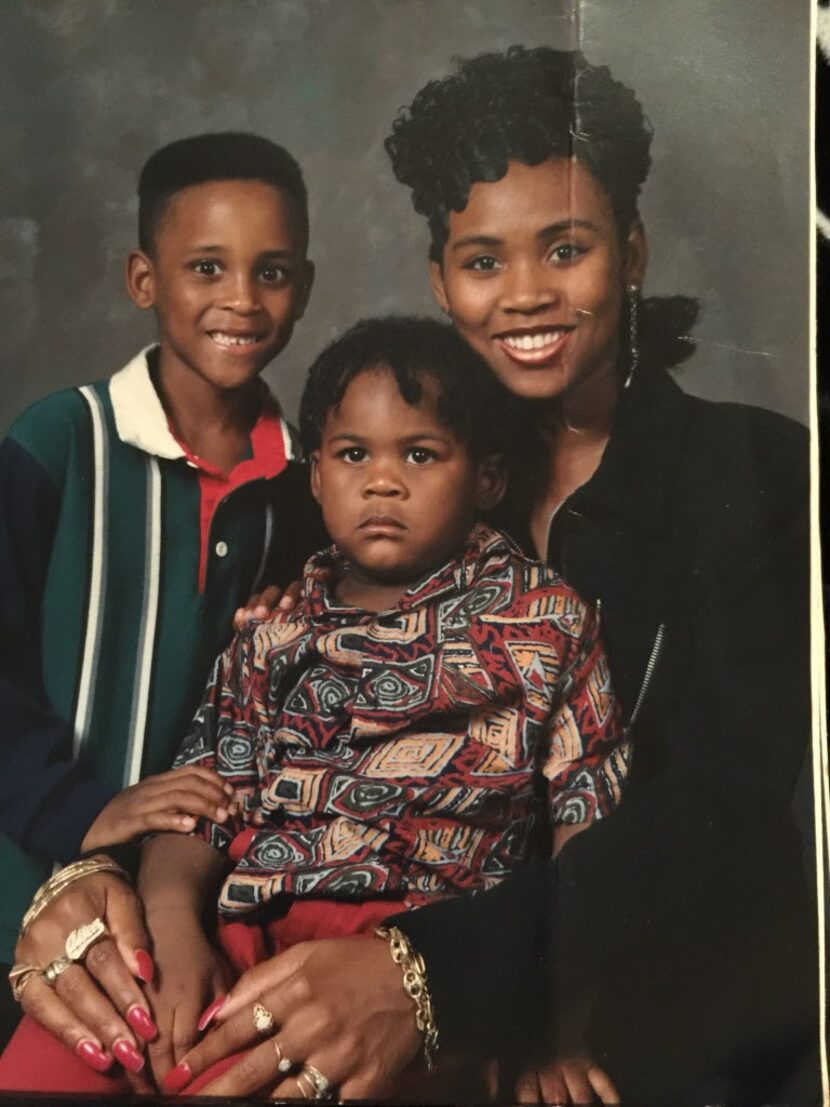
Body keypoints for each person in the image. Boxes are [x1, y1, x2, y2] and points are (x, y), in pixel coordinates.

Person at [184, 47, 816, 1104]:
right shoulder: (339, 495)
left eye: (563, 249)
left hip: (644, 1037)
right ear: (440, 281)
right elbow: (229, 745)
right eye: (482, 262)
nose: (524, 295)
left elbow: (725, 820)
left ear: (629, 251)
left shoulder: (753, 474)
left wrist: (427, 974)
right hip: (332, 976)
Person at [0, 315, 629, 1099]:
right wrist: (176, 927)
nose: (382, 480)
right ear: (317, 475)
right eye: (353, 453)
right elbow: (203, 798)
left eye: (421, 453)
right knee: (48, 1061)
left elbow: (588, 832)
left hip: (408, 956)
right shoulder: (277, 629)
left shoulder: (546, 621)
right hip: (244, 922)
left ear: (487, 479)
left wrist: (553, 1024)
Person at [0, 131, 322, 1075]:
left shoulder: (311, 490)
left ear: (304, 285)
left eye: (271, 271)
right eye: (206, 267)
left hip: (198, 907)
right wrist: (77, 808)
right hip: (36, 860)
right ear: (145, 279)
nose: (240, 299)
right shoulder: (60, 438)